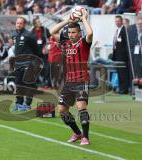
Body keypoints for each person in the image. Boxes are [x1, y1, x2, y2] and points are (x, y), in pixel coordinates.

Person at [50, 9, 93, 145]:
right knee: (62, 110)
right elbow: (52, 31)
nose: (71, 34)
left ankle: (86, 137)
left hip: (81, 80)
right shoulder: (66, 43)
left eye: (74, 32)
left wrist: (84, 18)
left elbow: (90, 33)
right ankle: (77, 133)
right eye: (69, 32)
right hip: (69, 82)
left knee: (81, 107)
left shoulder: (84, 43)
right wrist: (68, 21)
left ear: (79, 33)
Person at [12, 17, 40, 111]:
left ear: (24, 24)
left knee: (29, 84)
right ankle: (18, 103)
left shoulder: (30, 34)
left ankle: (27, 104)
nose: (18, 25)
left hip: (29, 63)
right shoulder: (14, 34)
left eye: (20, 23)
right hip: (18, 63)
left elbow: (36, 49)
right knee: (18, 84)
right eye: (17, 23)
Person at [112, 15, 129, 94]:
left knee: (123, 73)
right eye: (116, 21)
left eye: (118, 21)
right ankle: (121, 88)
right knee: (119, 73)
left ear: (122, 21)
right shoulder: (117, 30)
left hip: (122, 56)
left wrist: (124, 55)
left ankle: (124, 89)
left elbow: (126, 44)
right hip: (117, 55)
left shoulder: (124, 30)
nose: (117, 22)